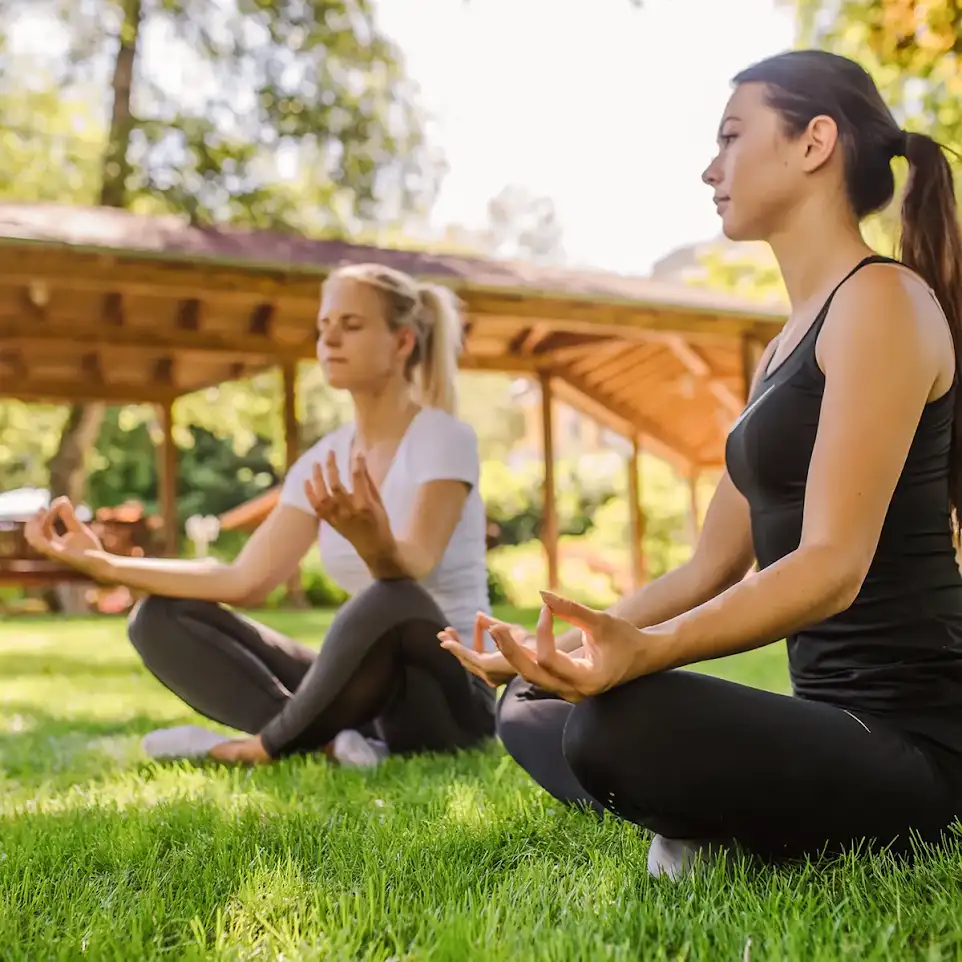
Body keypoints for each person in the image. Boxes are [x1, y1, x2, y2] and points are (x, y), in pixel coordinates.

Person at [441, 49, 962, 878]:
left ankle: (715, 817)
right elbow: (709, 566)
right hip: (828, 725)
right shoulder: (783, 348)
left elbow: (832, 566)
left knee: (616, 726)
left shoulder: (882, 303)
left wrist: (650, 653)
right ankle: (722, 816)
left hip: (918, 743)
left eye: (730, 136)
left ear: (814, 142)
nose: (710, 169)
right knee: (534, 704)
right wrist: (566, 650)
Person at [25, 262, 496, 768]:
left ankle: (255, 749)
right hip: (368, 699)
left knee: (392, 598)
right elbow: (243, 580)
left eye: (352, 325)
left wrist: (374, 542)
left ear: (402, 342)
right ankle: (328, 743)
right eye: (324, 326)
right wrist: (108, 566)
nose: (330, 339)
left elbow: (413, 568)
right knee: (159, 616)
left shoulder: (443, 437)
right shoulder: (323, 460)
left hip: (450, 699)